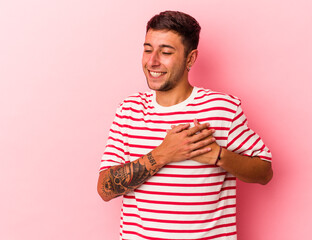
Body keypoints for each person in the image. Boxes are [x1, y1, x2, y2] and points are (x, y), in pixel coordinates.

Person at [97, 10, 273, 240]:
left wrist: (219, 156)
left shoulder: (221, 108)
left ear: (190, 59)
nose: (152, 61)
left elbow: (265, 172)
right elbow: (105, 189)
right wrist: (163, 154)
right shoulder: (129, 110)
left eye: (166, 52)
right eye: (148, 49)